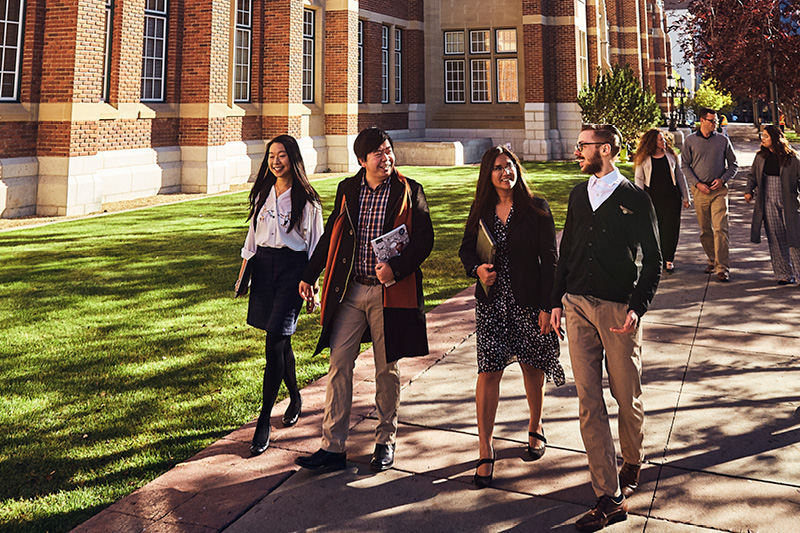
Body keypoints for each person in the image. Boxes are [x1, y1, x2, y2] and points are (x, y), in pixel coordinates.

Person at [294, 127, 434, 472]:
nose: (386, 157)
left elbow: (425, 241)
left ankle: (385, 440)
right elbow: (332, 236)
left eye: (389, 151)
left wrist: (396, 269)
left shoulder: (409, 190)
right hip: (351, 291)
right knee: (339, 364)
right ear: (362, 159)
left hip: (390, 293)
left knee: (386, 369)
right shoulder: (348, 189)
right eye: (378, 153)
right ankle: (333, 447)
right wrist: (309, 275)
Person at [551, 125, 661, 532]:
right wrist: (555, 300)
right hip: (577, 305)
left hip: (618, 310)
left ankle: (632, 459)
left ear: (607, 150)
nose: (577, 151)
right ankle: (608, 495)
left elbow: (653, 258)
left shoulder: (636, 198)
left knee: (625, 394)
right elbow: (567, 252)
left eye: (584, 146)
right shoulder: (578, 195)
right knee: (588, 401)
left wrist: (638, 306)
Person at [458, 146, 565, 489]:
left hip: (528, 303)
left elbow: (550, 260)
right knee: (488, 371)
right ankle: (485, 448)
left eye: (510, 166)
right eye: (498, 168)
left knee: (532, 366)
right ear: (488, 175)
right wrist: (476, 269)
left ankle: (536, 426)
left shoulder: (537, 209)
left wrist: (549, 307)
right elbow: (465, 249)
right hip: (491, 305)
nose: (506, 172)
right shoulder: (481, 210)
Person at [236, 134, 324, 456]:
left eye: (282, 155)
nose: (275, 161)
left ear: (293, 159)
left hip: (292, 271)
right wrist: (244, 270)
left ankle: (264, 419)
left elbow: (316, 244)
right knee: (281, 340)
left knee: (274, 341)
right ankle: (296, 396)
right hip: (263, 268)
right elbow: (252, 236)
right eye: (271, 156)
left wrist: (313, 283)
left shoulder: (307, 199)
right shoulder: (262, 193)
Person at [681, 107, 738, 282]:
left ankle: (722, 268)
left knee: (721, 228)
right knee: (706, 230)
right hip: (699, 191)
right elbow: (685, 166)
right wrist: (697, 184)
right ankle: (712, 259)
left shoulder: (723, 140)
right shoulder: (690, 141)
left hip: (719, 191)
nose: (715, 124)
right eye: (712, 121)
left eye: (716, 121)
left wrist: (722, 180)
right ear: (702, 121)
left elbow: (734, 164)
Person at [744, 125, 800, 284]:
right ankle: (783, 273)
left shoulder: (791, 157)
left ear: (776, 138)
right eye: (762, 135)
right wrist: (749, 191)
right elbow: (752, 175)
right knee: (776, 237)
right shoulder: (761, 157)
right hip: (768, 198)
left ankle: (799, 274)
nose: (762, 138)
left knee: (794, 237)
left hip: (789, 200)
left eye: (766, 136)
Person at [634, 129, 691, 273]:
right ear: (653, 141)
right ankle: (657, 258)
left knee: (671, 229)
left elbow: (680, 176)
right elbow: (639, 179)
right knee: (655, 229)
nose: (664, 141)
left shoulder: (671, 155)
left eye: (664, 139)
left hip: (672, 198)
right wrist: (639, 200)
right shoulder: (643, 158)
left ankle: (669, 259)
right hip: (652, 198)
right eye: (661, 139)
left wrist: (686, 196)